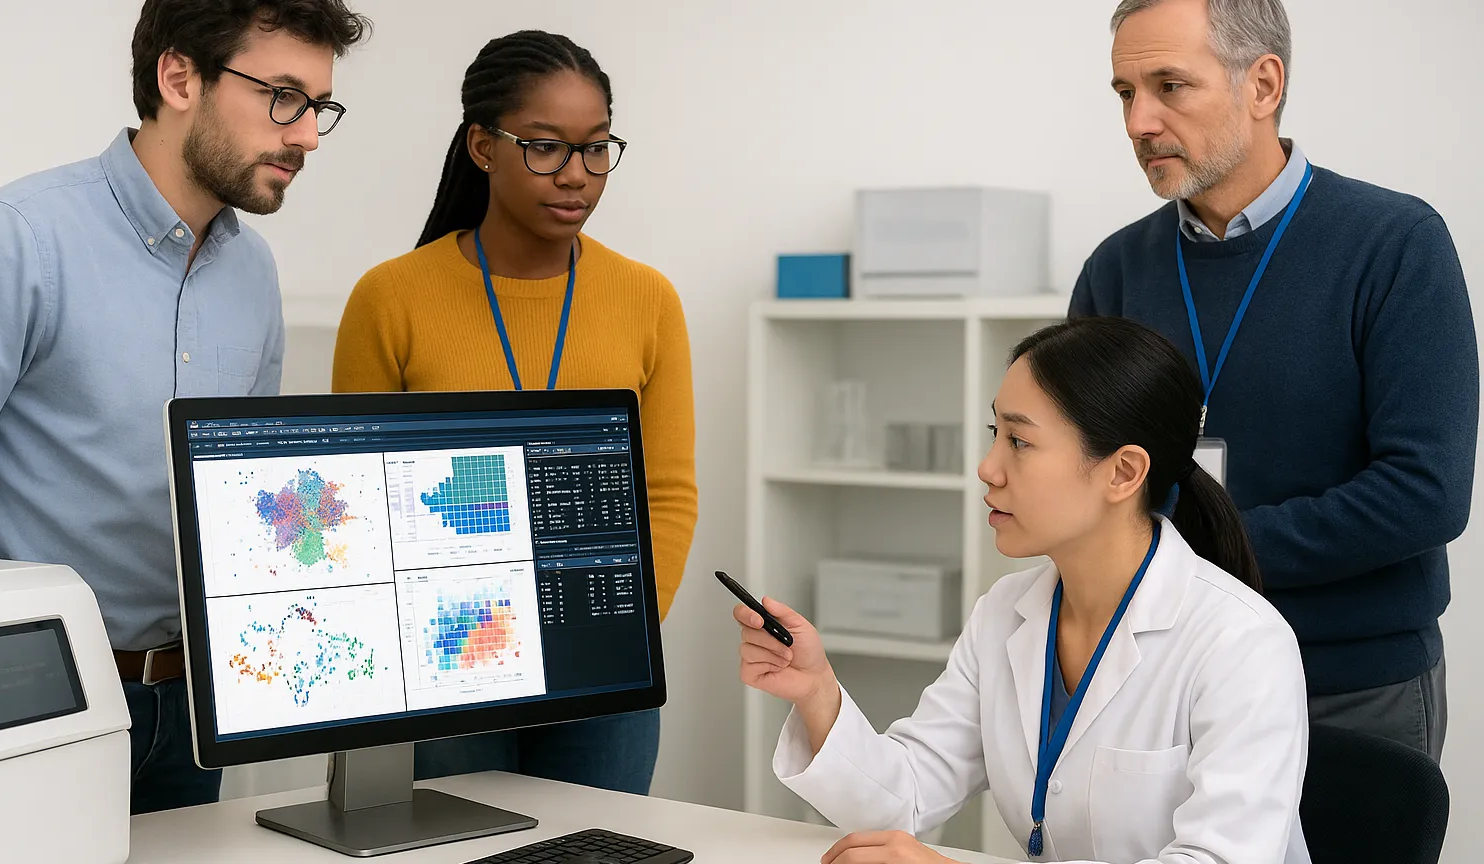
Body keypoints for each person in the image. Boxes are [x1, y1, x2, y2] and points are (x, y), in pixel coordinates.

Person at [0, 0, 369, 814]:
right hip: (29, 707)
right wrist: (2, 661)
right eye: (284, 96)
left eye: (319, 107)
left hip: (189, 709)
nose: (307, 135)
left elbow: (248, 502)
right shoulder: (18, 238)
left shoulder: (254, 275)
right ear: (179, 77)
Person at [735, 317, 1310, 864]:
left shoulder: (1242, 643)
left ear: (1123, 473)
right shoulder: (1005, 614)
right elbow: (903, 798)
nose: (988, 467)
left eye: (1020, 441)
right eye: (995, 433)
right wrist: (817, 693)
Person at [1071, 0, 1475, 763]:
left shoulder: (1395, 244)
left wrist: (1208, 547)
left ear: (1262, 85)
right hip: (1162, 679)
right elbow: (1082, 471)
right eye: (1126, 93)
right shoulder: (1115, 270)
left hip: (1349, 687)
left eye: (1169, 86)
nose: (1138, 122)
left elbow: (1425, 493)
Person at [332, 30, 698, 796]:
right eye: (545, 148)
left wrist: (607, 628)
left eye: (597, 149)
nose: (577, 176)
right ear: (482, 147)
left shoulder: (648, 299)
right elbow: (354, 509)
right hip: (443, 666)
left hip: (602, 666)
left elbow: (665, 494)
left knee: (601, 848)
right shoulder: (391, 297)